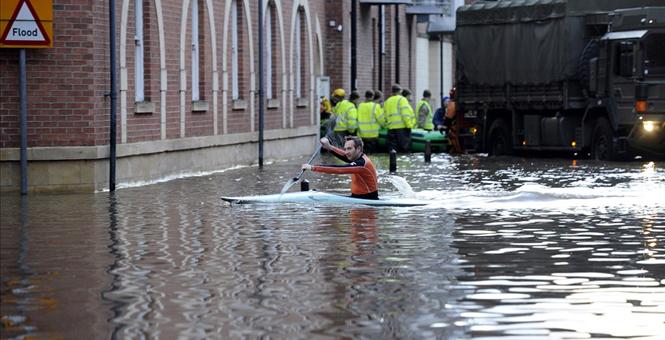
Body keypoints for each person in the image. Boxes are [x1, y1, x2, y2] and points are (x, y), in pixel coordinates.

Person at [302, 136, 379, 200]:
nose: (346, 152)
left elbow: (339, 169)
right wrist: (329, 147)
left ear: (358, 149)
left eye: (349, 149)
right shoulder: (358, 158)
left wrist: (312, 167)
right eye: (345, 149)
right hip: (358, 198)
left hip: (367, 200)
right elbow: (344, 156)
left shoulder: (362, 164)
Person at [384, 84, 415, 152]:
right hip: (402, 129)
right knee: (404, 150)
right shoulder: (402, 99)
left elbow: (385, 116)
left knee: (393, 151)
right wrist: (409, 125)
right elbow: (405, 115)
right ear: (400, 91)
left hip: (391, 129)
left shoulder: (387, 101)